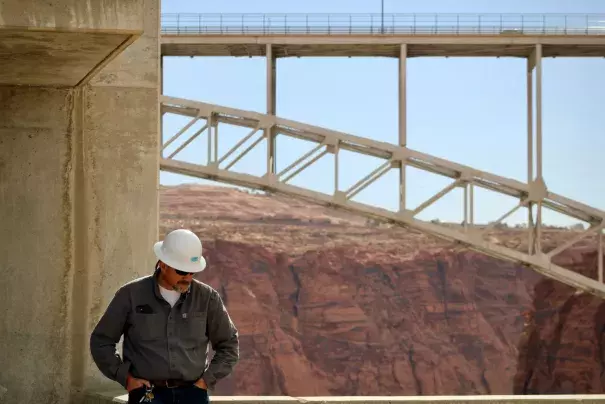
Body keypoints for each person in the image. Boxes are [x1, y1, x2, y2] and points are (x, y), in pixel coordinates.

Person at [90, 229, 239, 404]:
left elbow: (229, 344)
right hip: (147, 396)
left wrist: (206, 381)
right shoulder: (130, 295)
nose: (188, 278)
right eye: (182, 271)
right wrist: (126, 378)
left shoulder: (207, 298)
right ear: (163, 264)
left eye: (192, 272)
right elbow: (101, 341)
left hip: (193, 395)